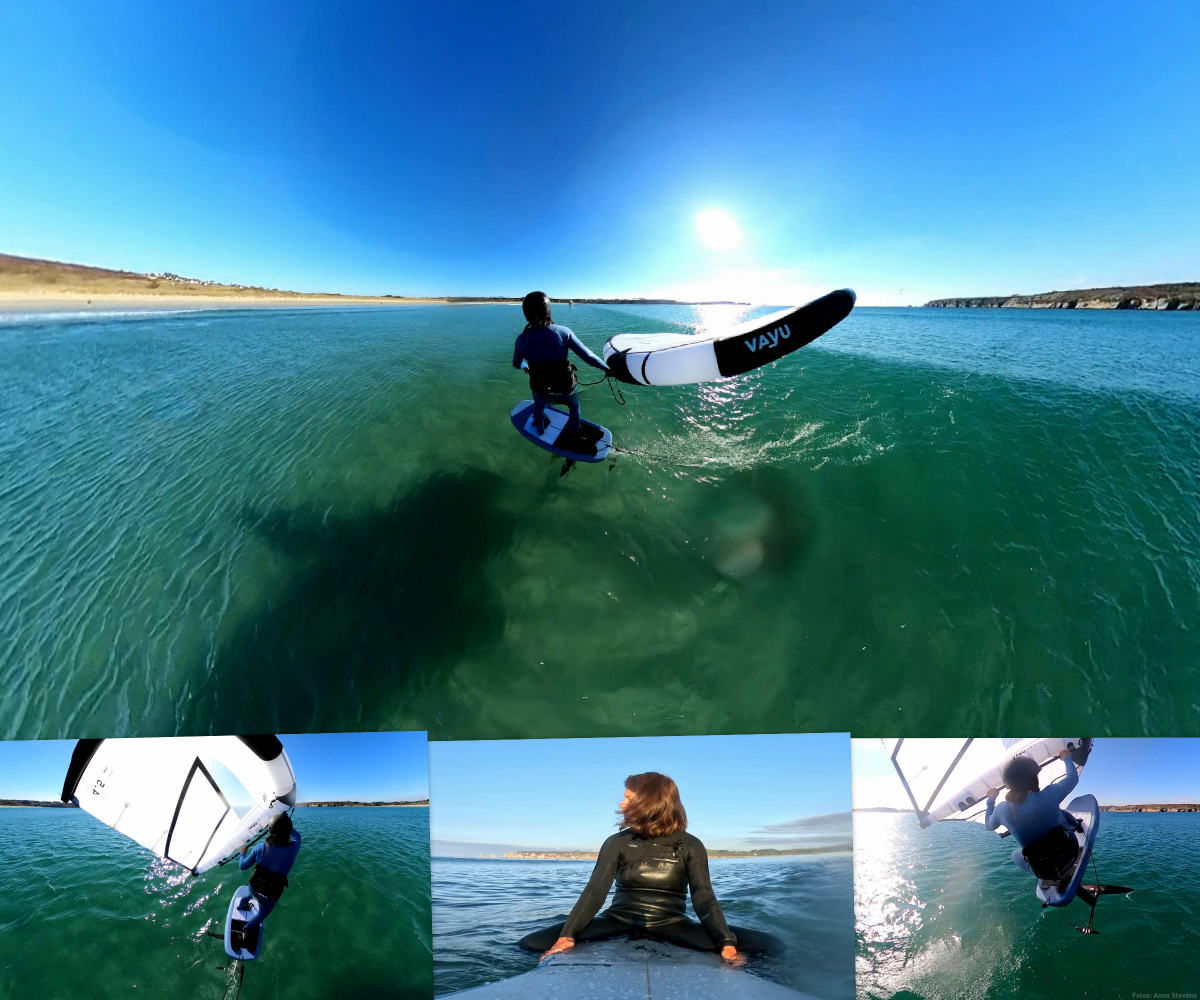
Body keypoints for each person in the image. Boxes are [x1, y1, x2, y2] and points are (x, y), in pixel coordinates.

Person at [517, 772, 783, 966]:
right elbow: (594, 893)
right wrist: (567, 935)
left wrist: (726, 942)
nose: (621, 805)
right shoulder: (617, 842)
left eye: (628, 798)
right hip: (617, 922)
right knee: (530, 943)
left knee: (770, 945)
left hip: (672, 924)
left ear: (649, 802)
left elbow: (704, 897)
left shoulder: (690, 845)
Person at [512, 291, 609, 444]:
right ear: (548, 310)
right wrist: (608, 369)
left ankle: (540, 430)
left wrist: (526, 366)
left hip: (541, 390)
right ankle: (574, 433)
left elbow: (516, 364)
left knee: (538, 408)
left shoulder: (521, 340)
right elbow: (588, 357)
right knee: (574, 408)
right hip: (566, 389)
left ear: (526, 314)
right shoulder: (563, 332)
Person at [984, 749, 1080, 881]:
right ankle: (1077, 825)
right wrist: (1067, 758)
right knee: (1059, 813)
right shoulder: (1050, 794)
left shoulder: (1002, 810)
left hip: (1044, 872)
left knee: (1014, 855)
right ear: (1034, 778)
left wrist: (991, 800)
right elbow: (1072, 778)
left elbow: (988, 825)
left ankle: (1051, 877)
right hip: (1072, 853)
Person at [236, 813, 302, 936]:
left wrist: (242, 853)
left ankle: (240, 907)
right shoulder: (293, 849)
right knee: (261, 915)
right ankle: (246, 929)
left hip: (254, 887)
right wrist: (285, 824)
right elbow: (297, 835)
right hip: (270, 896)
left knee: (249, 895)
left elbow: (242, 866)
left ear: (270, 830)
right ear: (287, 832)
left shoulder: (260, 848)